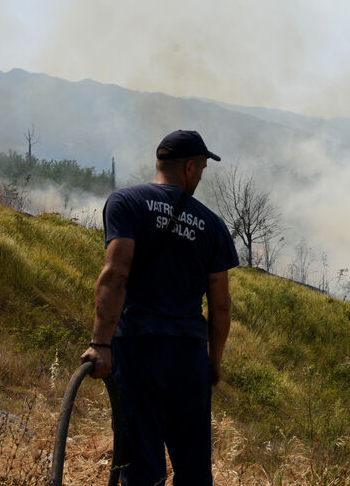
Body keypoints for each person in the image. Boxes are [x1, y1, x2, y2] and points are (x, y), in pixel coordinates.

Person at [80, 129, 239, 485]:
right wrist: (212, 362)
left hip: (136, 350)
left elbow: (115, 274)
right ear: (188, 168)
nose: (200, 177)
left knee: (140, 466)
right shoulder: (212, 225)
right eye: (200, 169)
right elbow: (222, 306)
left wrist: (101, 344)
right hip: (187, 355)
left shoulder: (126, 203)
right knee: (194, 469)